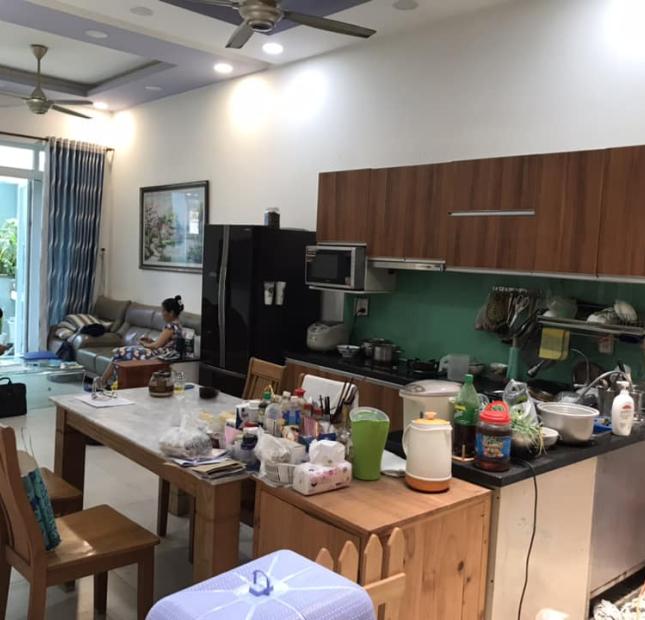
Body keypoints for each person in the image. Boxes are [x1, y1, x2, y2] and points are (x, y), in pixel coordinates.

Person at [101, 295, 184, 384]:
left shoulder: (170, 326)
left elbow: (156, 346)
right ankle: (112, 384)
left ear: (171, 312)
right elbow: (165, 343)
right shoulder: (178, 325)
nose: (162, 313)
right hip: (164, 354)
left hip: (159, 357)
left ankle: (103, 382)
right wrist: (150, 341)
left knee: (119, 352)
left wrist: (144, 344)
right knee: (119, 359)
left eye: (163, 310)